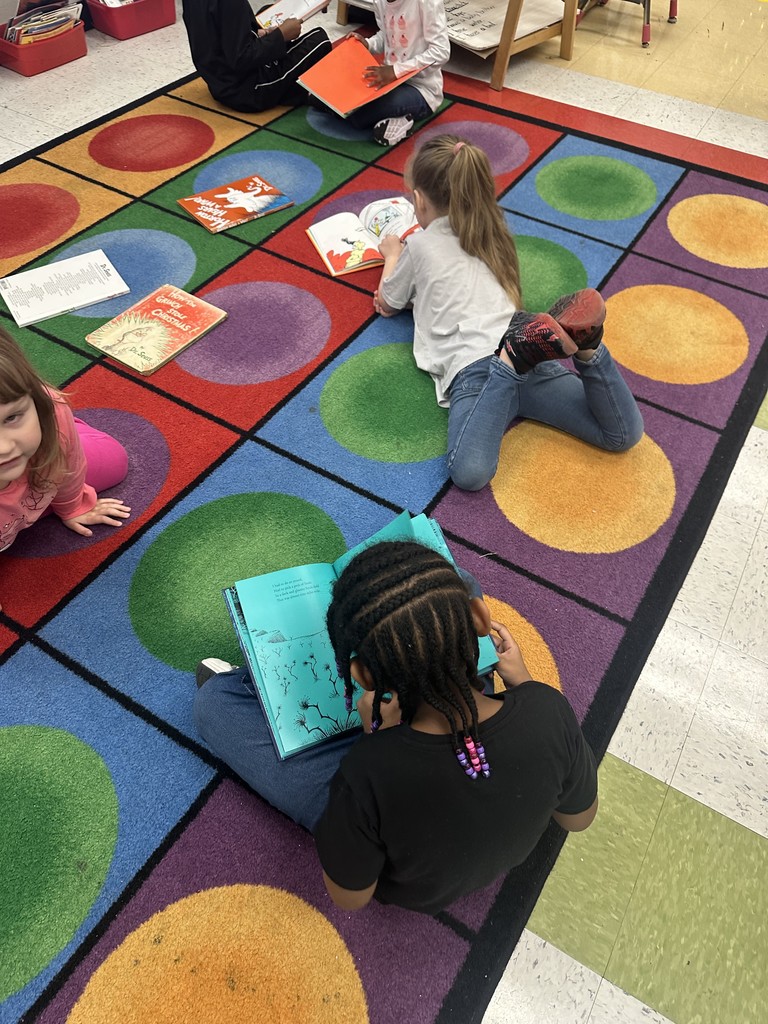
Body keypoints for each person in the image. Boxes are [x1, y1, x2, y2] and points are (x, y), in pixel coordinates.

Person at [194, 540, 598, 915]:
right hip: (459, 733)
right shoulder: (548, 708)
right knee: (455, 582)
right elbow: (577, 819)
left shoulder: (366, 771)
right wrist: (524, 684)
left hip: (395, 839)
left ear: (362, 676)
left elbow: (350, 896)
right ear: (478, 619)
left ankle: (252, 679)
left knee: (214, 705)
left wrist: (380, 741)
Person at [374, 134, 645, 490]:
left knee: (469, 473)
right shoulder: (494, 234)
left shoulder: (420, 244)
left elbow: (388, 303)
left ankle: (510, 364)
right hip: (529, 352)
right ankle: (589, 348)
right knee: (621, 435)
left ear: (419, 201)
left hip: (476, 367)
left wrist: (392, 252)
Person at [0, 327, 130, 560]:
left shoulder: (50, 411)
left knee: (115, 460)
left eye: (11, 417)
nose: (4, 448)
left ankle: (67, 432)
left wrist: (72, 507)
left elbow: (69, 465)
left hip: (42, 458)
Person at [181, 0, 332, 113]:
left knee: (267, 12)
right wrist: (281, 36)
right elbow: (242, 58)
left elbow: (217, 36)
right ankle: (294, 93)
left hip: (218, 82)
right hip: (248, 90)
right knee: (320, 40)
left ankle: (291, 90)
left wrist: (263, 34)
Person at [346, 0, 450, 145]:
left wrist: (396, 71)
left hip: (422, 89)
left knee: (358, 117)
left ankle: (405, 120)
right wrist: (368, 44)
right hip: (388, 82)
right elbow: (386, 34)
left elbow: (441, 52)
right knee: (346, 101)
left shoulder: (426, 2)